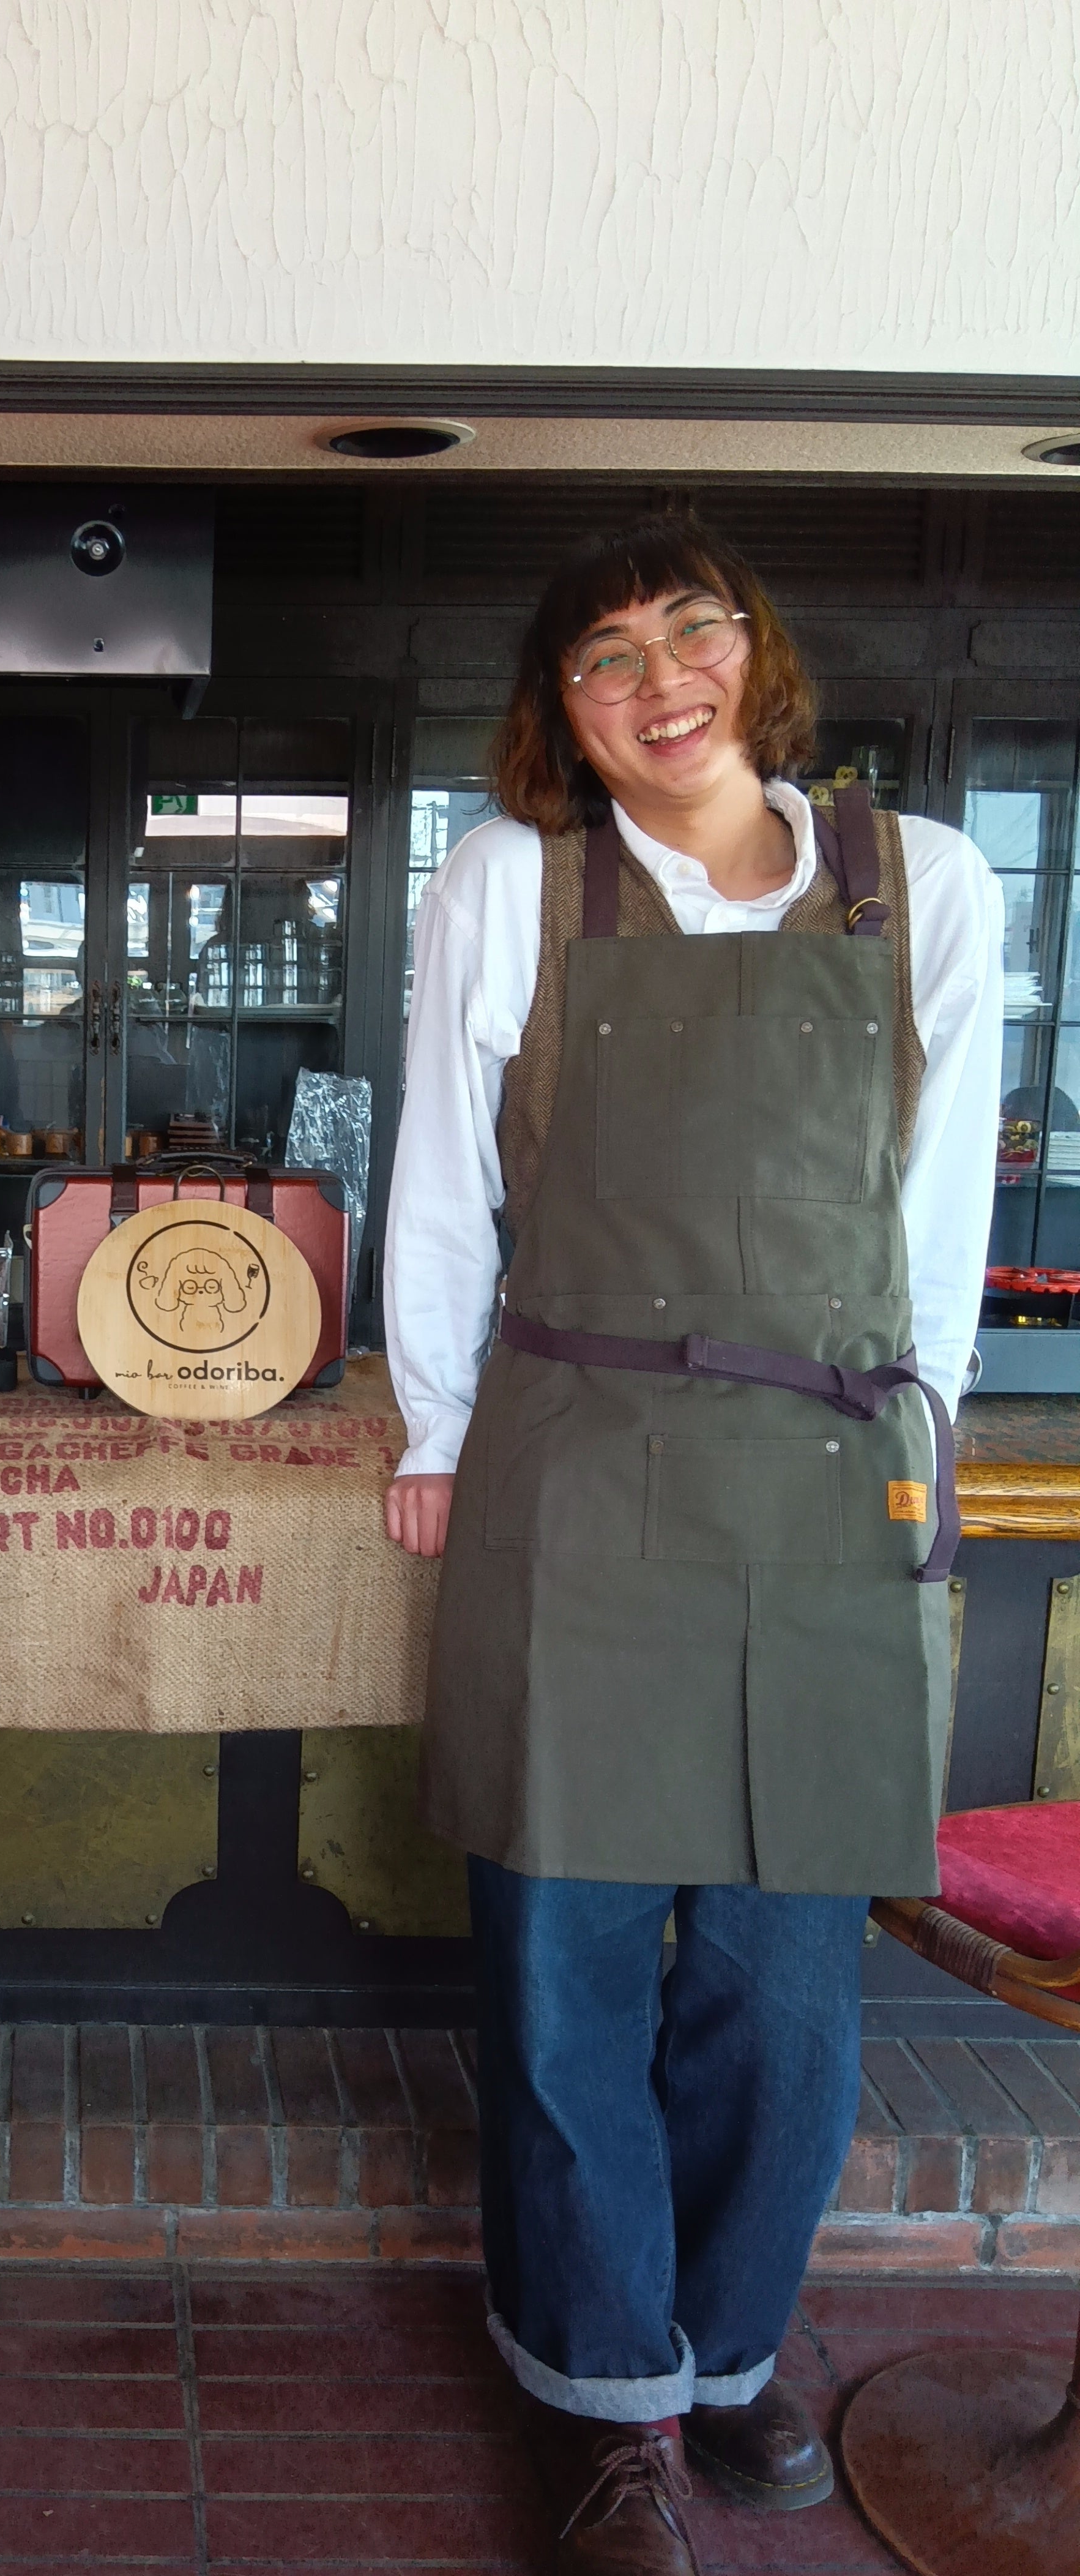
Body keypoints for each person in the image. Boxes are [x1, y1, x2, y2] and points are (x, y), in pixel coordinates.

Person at [383, 519, 1002, 2576]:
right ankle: (606, 2401)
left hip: (829, 1482)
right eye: (605, 660)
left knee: (782, 1986)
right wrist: (438, 1429)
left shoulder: (923, 879)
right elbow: (445, 1181)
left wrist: (928, 1444)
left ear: (758, 650)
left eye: (692, 633)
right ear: (557, 711)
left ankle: (723, 2346)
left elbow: (935, 1211)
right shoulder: (509, 880)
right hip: (578, 1461)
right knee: (562, 1976)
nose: (660, 685)